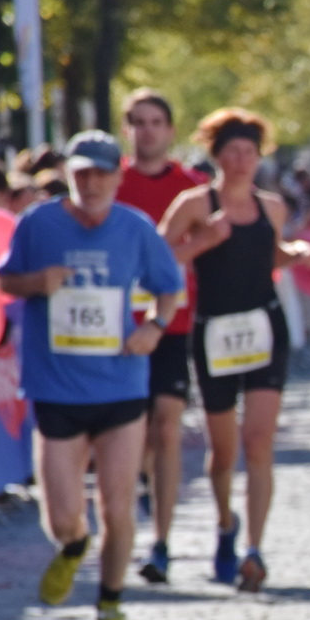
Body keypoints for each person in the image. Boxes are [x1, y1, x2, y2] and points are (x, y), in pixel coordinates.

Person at [0, 130, 183, 620]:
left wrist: (153, 328)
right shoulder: (39, 223)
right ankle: (75, 547)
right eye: (82, 172)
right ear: (69, 176)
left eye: (102, 172)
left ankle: (111, 603)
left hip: (120, 385)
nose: (92, 182)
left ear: (118, 177)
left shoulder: (136, 228)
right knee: (60, 516)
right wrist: (37, 284)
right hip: (56, 388)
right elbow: (5, 280)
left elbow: (170, 289)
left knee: (117, 504)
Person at [159, 108, 310, 593]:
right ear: (217, 155)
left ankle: (255, 548)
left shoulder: (272, 207)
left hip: (265, 328)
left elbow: (270, 256)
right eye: (232, 151)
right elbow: (159, 263)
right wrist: (203, 240)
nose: (242, 160)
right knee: (223, 451)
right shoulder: (194, 203)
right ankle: (225, 524)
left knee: (259, 443)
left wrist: (295, 255)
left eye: (249, 151)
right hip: (215, 335)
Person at [116, 89, 204, 586]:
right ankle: (136, 513)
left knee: (167, 424)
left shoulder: (191, 188)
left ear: (170, 130)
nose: (147, 130)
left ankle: (162, 543)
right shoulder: (111, 185)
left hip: (175, 321)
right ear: (127, 130)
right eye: (138, 122)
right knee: (136, 432)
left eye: (156, 122)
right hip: (118, 327)